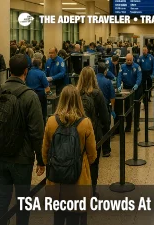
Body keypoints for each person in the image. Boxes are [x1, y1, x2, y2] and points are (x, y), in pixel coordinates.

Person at [0, 54, 45, 225]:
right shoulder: (30, 96)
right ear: (26, 71)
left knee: (1, 199)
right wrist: (41, 160)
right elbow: (37, 132)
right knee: (23, 202)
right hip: (21, 159)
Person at [42, 85, 97, 225]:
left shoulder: (51, 121)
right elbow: (92, 154)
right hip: (78, 179)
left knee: (58, 217)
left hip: (57, 179)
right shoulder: (85, 123)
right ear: (78, 100)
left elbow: (45, 152)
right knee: (75, 218)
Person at [77, 66, 110, 197]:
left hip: (77, 132)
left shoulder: (75, 93)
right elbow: (105, 117)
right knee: (93, 163)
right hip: (94, 133)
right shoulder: (97, 93)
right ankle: (92, 190)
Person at [117, 53, 142, 132]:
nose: (129, 61)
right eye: (127, 60)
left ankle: (137, 125)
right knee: (128, 107)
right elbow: (119, 77)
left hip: (135, 88)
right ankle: (128, 126)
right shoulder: (122, 67)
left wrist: (137, 84)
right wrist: (119, 85)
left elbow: (139, 77)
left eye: (130, 60)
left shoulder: (137, 67)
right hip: (126, 89)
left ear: (132, 59)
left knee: (136, 107)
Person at [96, 62, 115, 157]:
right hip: (105, 108)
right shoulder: (108, 82)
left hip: (94, 109)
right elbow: (112, 98)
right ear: (105, 71)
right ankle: (106, 150)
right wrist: (113, 109)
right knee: (106, 129)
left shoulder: (92, 80)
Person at [26, 58, 50, 125]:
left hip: (29, 94)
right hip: (40, 95)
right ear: (40, 65)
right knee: (42, 114)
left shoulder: (29, 72)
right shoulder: (41, 74)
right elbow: (47, 88)